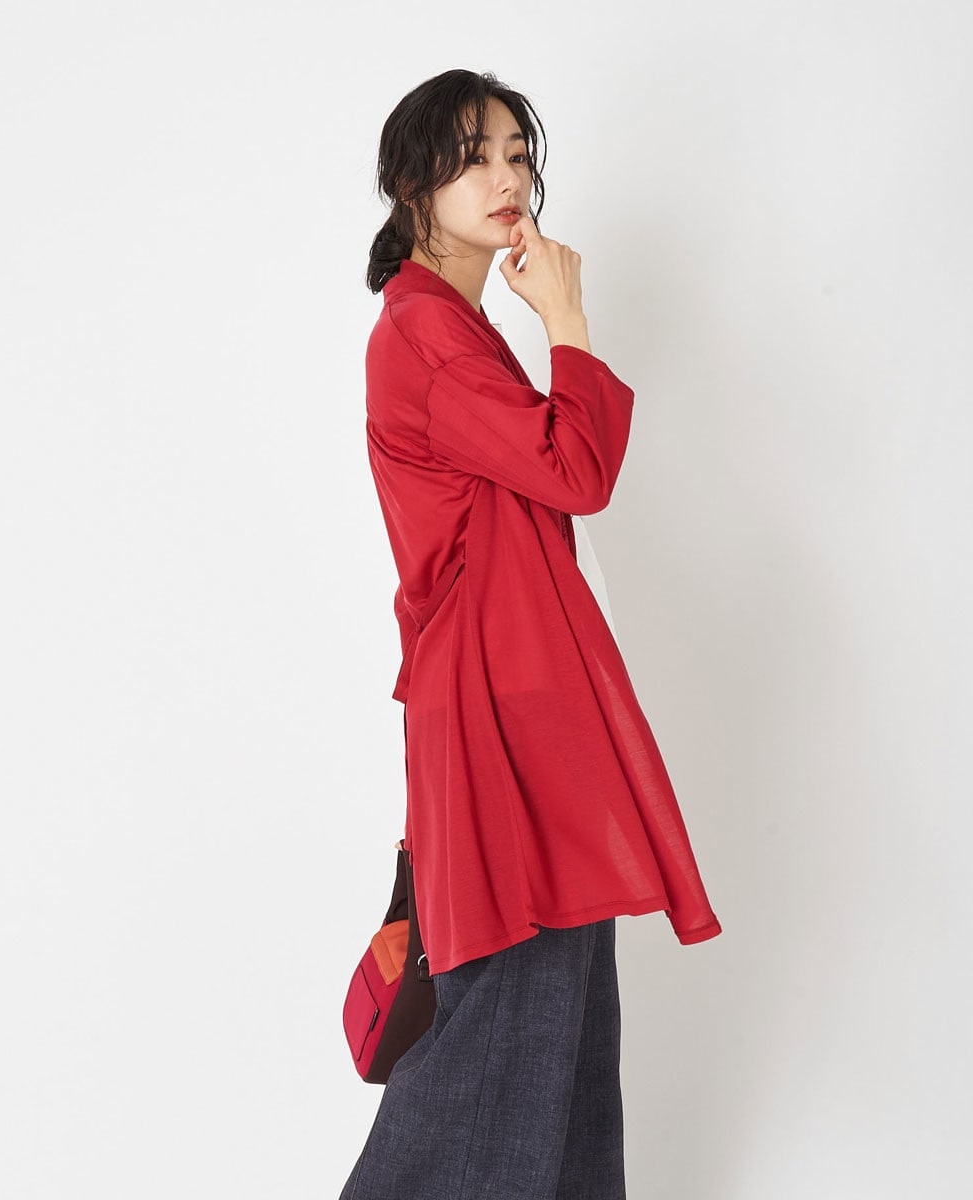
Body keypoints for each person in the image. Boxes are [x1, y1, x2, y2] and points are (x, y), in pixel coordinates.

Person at [339, 69, 723, 1200]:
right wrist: (566, 321)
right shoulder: (427, 333)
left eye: (516, 153)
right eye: (474, 157)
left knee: (560, 1053)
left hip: (512, 706)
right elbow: (575, 469)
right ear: (413, 183)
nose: (506, 177)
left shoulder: (448, 326)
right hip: (499, 718)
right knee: (499, 1043)